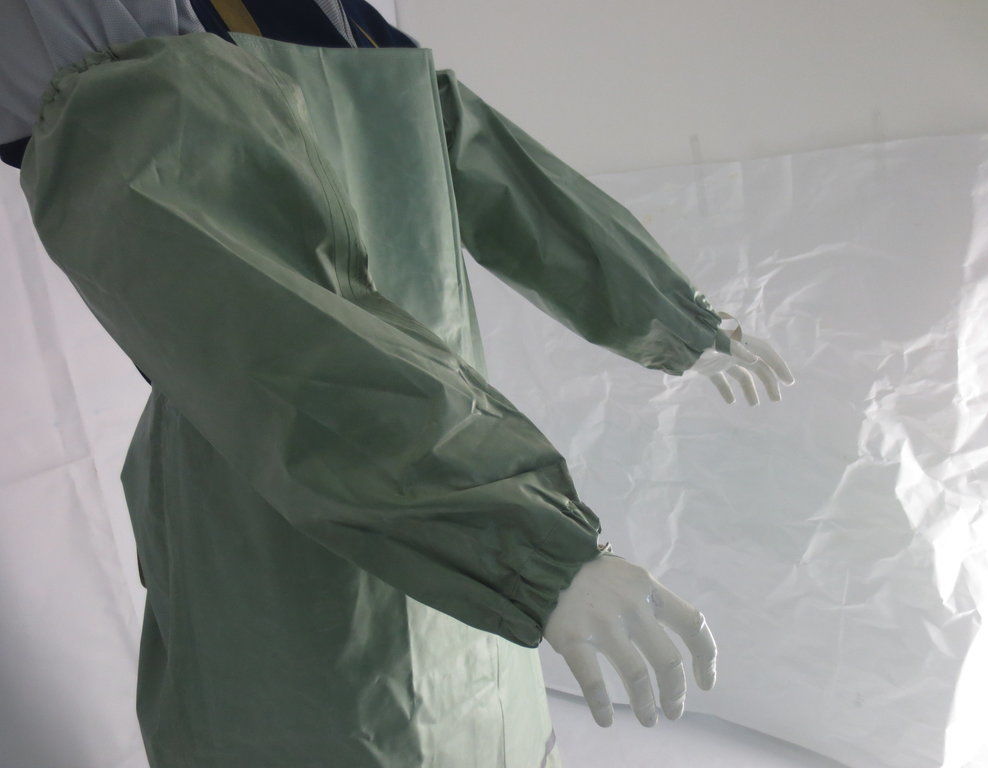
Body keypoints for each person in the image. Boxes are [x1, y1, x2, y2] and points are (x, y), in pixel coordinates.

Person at [4, 2, 794, 766]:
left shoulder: (338, 15)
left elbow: (477, 159)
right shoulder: (84, 26)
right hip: (288, 478)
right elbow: (262, 322)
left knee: (474, 704)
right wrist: (527, 545)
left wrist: (669, 315)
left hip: (451, 449)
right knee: (333, 717)